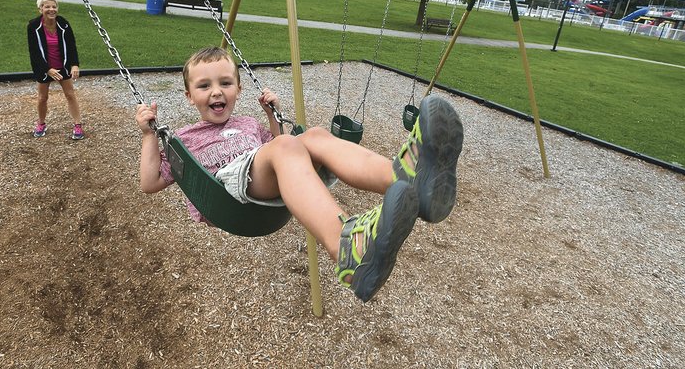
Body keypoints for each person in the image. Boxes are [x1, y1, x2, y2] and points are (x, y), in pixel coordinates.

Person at [136, 47, 464, 302]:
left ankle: (406, 178)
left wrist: (271, 116)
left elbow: (277, 147)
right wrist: (150, 135)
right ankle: (346, 248)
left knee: (315, 136)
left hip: (267, 176)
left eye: (225, 83)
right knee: (286, 147)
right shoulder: (185, 138)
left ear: (237, 88)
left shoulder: (248, 124)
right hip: (227, 194)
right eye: (204, 85)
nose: (217, 92)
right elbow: (150, 182)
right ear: (189, 96)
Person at [27, 0, 84, 140]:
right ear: (40, 9)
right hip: (44, 67)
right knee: (42, 98)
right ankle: (41, 123)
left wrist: (74, 64)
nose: (51, 10)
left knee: (70, 94)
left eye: (54, 7)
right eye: (47, 7)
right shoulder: (33, 26)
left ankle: (78, 124)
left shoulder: (63, 24)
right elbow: (34, 52)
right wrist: (47, 69)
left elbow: (71, 45)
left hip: (62, 65)